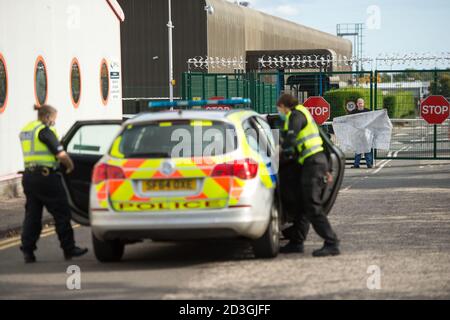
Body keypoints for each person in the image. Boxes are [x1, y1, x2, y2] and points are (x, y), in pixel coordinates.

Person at [19, 104, 88, 263]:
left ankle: (28, 251)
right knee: (62, 213)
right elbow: (61, 154)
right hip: (46, 178)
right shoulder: (44, 131)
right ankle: (69, 249)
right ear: (47, 117)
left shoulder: (27, 130)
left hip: (29, 177)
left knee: (33, 216)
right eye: (54, 119)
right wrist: (70, 166)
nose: (54, 122)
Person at [277, 94, 340, 257]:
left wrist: (282, 152)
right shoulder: (304, 113)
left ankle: (331, 242)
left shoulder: (296, 115)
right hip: (314, 163)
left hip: (313, 164)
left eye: (279, 109)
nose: (279, 112)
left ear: (284, 106)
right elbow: (320, 140)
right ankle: (296, 243)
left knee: (312, 206)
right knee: (303, 205)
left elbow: (290, 139)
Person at [350, 98, 373, 168]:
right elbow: (348, 120)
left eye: (361, 103)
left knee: (367, 148)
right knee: (358, 149)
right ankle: (356, 164)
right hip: (357, 133)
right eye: (359, 103)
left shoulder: (368, 111)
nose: (360, 104)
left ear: (363, 103)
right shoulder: (353, 112)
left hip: (366, 133)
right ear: (357, 104)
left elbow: (373, 118)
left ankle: (369, 164)